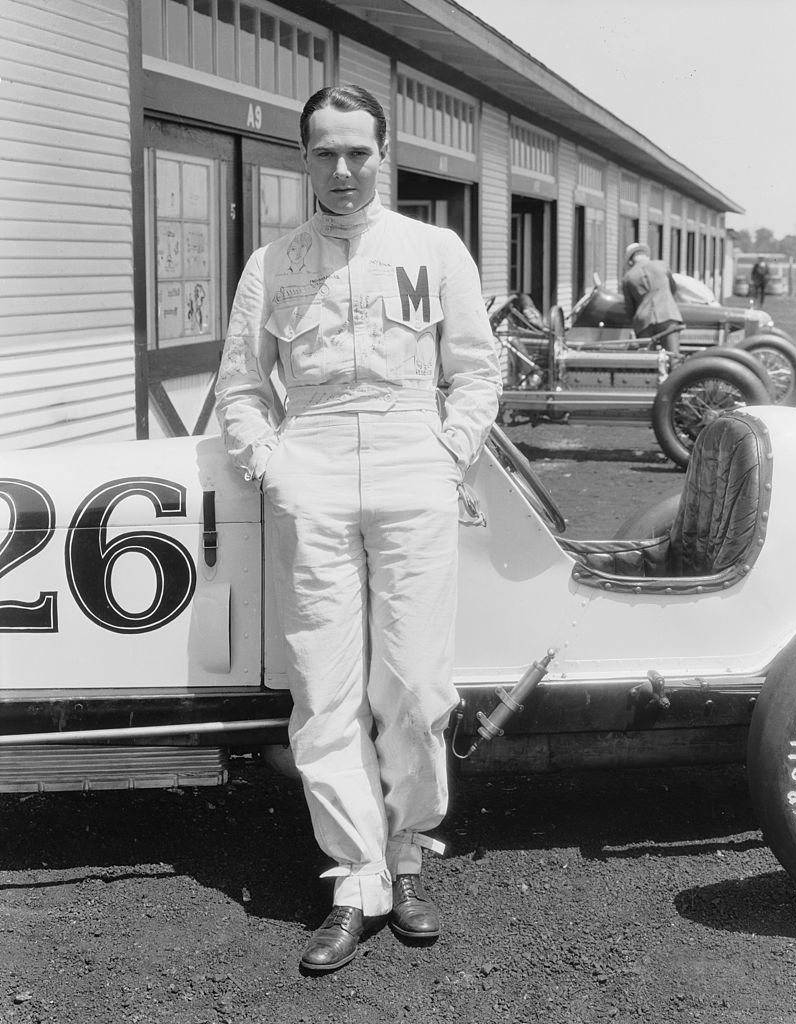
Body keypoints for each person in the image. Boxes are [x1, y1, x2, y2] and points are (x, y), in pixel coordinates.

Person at [214, 84, 502, 972]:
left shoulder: (435, 248)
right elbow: (240, 388)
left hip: (414, 460)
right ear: (303, 158)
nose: (341, 171)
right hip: (317, 467)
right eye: (323, 153)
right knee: (322, 689)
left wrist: (447, 450)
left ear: (386, 154)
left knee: (415, 688)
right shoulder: (272, 261)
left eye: (358, 153)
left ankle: (409, 853)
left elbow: (478, 370)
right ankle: (355, 874)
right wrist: (274, 462)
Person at [621, 242, 684, 356]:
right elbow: (673, 289)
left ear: (631, 260)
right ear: (646, 255)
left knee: (648, 361)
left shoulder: (628, 277)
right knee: (673, 356)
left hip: (644, 322)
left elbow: (630, 308)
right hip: (668, 315)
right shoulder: (661, 265)